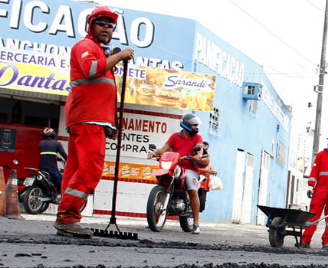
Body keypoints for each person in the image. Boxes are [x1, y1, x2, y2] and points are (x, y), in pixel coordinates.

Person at [54, 5, 134, 238]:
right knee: (90, 168)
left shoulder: (102, 53)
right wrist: (119, 56)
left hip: (93, 120)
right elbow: (91, 71)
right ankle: (68, 217)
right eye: (101, 23)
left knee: (75, 170)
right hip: (87, 119)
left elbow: (104, 93)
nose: (107, 28)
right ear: (91, 26)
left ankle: (66, 218)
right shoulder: (86, 46)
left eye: (110, 25)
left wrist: (111, 123)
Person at [147, 113, 206, 234]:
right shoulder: (174, 136)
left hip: (190, 167)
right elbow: (163, 149)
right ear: (187, 125)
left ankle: (196, 223)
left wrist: (198, 155)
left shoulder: (197, 138)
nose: (196, 127)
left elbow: (199, 148)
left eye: (196, 125)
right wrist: (155, 152)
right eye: (194, 125)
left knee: (192, 189)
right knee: (162, 181)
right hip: (175, 166)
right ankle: (154, 220)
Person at [38, 127, 67, 198]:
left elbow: (48, 153)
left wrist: (56, 157)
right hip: (52, 168)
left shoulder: (41, 143)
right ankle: (59, 195)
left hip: (42, 168)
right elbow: (63, 154)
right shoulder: (57, 144)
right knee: (62, 182)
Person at [195, 141, 217, 213]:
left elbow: (209, 169)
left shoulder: (206, 160)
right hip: (198, 184)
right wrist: (208, 171)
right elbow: (196, 169)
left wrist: (212, 172)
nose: (205, 150)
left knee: (202, 205)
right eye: (204, 148)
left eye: (206, 149)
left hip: (205, 185)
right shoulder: (197, 159)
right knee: (198, 201)